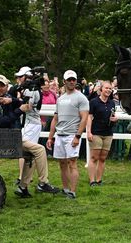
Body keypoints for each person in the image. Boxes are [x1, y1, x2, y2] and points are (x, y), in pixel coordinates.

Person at [0, 74, 58, 198]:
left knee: (34, 153)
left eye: (2, 85)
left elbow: (27, 104)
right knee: (40, 149)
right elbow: (0, 122)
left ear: (7, 86)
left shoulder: (9, 98)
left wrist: (13, 100)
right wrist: (19, 110)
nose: (0, 88)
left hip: (12, 138)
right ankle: (43, 182)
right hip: (0, 140)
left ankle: (23, 187)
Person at [46, 70, 89, 199]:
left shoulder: (81, 97)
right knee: (62, 164)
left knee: (72, 163)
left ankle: (72, 191)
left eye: (73, 80)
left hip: (72, 135)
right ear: (64, 81)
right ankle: (65, 189)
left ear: (76, 81)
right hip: (60, 135)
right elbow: (55, 118)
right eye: (69, 80)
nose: (71, 82)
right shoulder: (60, 98)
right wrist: (50, 137)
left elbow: (84, 118)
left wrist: (77, 136)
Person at [86, 81, 117, 186]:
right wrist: (89, 132)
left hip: (108, 133)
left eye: (110, 89)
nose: (108, 90)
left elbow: (112, 115)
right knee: (94, 157)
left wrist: (115, 119)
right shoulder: (94, 102)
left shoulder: (112, 103)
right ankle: (92, 181)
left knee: (103, 158)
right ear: (101, 89)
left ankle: (99, 180)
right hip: (96, 133)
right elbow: (89, 117)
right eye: (106, 88)